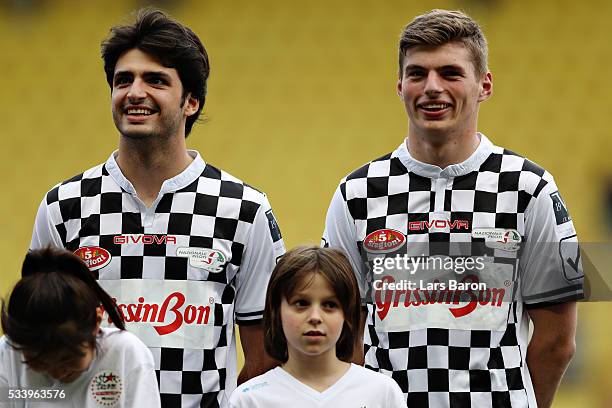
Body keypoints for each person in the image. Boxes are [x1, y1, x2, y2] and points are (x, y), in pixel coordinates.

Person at [322, 9, 583, 408]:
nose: (431, 87)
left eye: (450, 73)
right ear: (399, 85)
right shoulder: (357, 192)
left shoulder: (530, 189)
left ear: (484, 85)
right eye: (417, 74)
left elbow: (557, 342)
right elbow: (344, 333)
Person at [29, 8, 285, 408]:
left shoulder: (244, 209)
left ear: (191, 102)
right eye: (123, 80)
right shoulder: (63, 206)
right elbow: (36, 343)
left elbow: (265, 360)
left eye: (156, 80)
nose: (134, 92)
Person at [228, 246, 405, 407]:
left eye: (329, 305)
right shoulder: (249, 400)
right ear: (276, 311)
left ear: (347, 314)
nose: (315, 317)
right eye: (301, 303)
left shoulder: (382, 393)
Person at [0, 247, 160, 408]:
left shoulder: (124, 353)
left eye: (67, 359)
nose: (56, 373)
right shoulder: (9, 352)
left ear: (96, 322)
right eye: (39, 363)